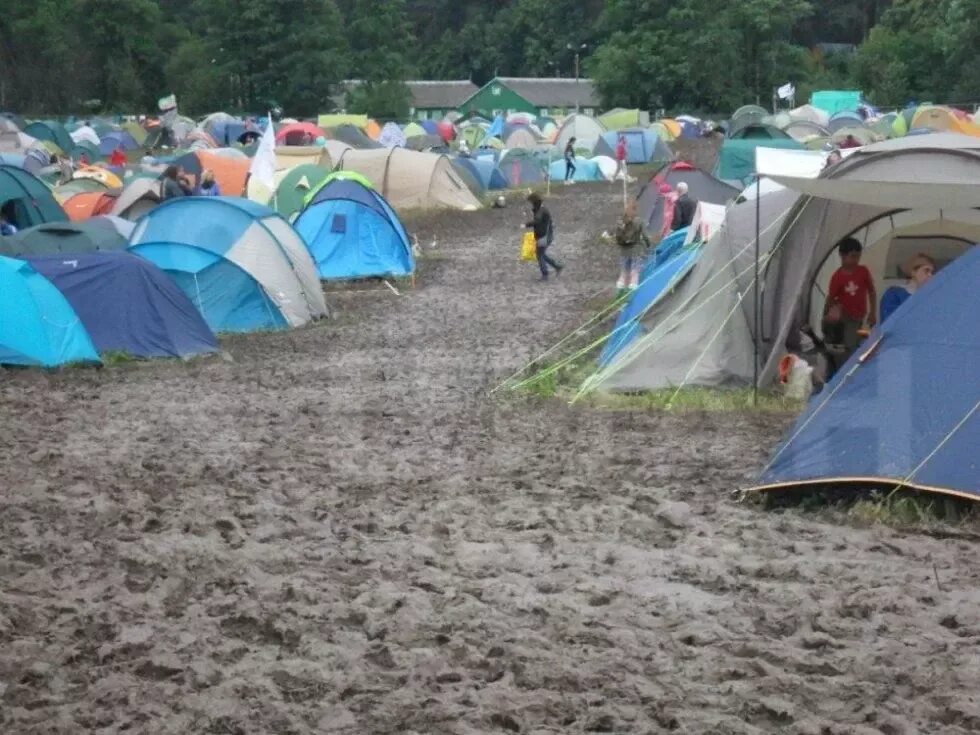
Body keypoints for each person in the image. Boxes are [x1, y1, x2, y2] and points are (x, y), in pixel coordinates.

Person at [824, 237, 877, 362]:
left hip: (860, 315)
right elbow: (831, 298)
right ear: (842, 256)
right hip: (847, 317)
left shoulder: (863, 271)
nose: (856, 260)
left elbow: (872, 291)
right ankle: (847, 367)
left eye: (858, 257)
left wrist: (873, 313)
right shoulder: (837, 277)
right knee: (850, 345)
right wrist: (828, 315)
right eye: (852, 256)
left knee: (857, 338)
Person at [880, 253, 934, 322]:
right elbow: (890, 322)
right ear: (913, 272)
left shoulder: (929, 296)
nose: (930, 275)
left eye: (932, 272)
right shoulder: (894, 294)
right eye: (926, 271)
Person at [525, 192, 563, 281]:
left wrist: (526, 224)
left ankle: (545, 274)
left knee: (539, 255)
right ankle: (557, 266)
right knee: (541, 254)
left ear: (535, 202)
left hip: (544, 236)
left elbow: (537, 221)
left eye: (531, 202)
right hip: (544, 235)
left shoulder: (541, 211)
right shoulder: (541, 209)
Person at [614, 200, 651, 292]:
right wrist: (648, 244)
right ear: (635, 210)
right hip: (636, 250)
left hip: (624, 250)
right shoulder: (639, 221)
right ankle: (632, 293)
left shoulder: (621, 221)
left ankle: (619, 290)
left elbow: (617, 235)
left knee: (623, 272)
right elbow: (646, 236)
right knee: (635, 272)